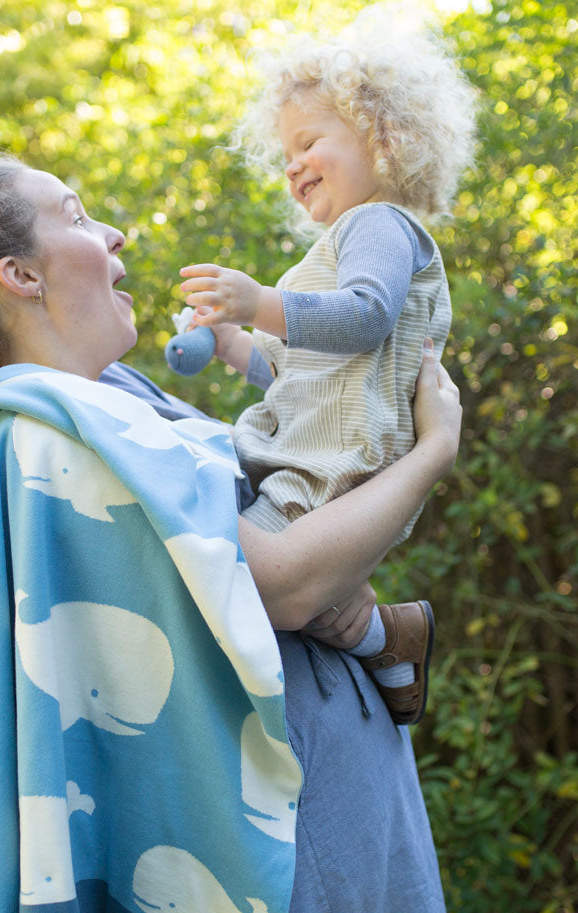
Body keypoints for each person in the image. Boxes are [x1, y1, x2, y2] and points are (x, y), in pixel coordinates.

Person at [0, 155, 464, 913]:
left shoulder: (96, 401)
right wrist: (430, 454)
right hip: (281, 843)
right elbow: (280, 584)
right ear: (19, 275)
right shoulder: (51, 433)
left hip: (316, 795)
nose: (114, 232)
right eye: (78, 214)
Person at [168, 23, 478, 725]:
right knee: (296, 588)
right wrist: (232, 343)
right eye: (285, 154)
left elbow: (365, 316)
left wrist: (261, 302)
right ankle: (388, 639)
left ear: (385, 138)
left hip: (335, 459)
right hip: (314, 450)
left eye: (308, 143)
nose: (291, 165)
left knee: (236, 572)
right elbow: (292, 368)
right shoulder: (335, 250)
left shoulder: (380, 228)